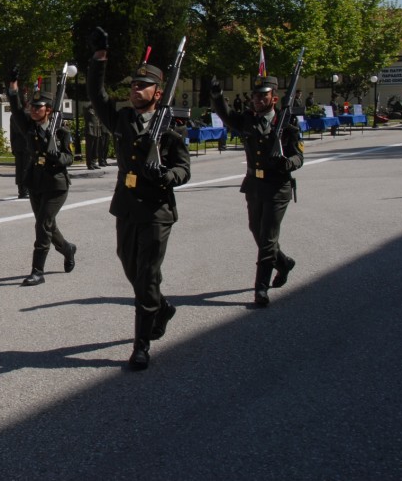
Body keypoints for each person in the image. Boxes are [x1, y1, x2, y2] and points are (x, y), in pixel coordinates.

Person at [87, 30, 190, 371]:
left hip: (157, 210)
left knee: (145, 276)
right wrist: (101, 55)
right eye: (133, 85)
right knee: (129, 265)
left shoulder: (171, 128)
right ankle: (161, 307)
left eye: (142, 86)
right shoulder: (121, 119)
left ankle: (141, 346)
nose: (135, 90)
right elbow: (96, 94)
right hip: (127, 206)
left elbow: (183, 168)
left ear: (158, 93)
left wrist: (168, 176)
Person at [211, 73, 304, 309]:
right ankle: (282, 263)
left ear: (274, 98)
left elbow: (298, 157)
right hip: (254, 185)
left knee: (268, 237)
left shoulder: (287, 124)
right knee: (256, 229)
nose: (257, 100)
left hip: (277, 186)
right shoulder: (248, 120)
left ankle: (260, 288)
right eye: (255, 96)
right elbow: (226, 116)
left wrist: (287, 163)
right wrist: (217, 95)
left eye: (263, 96)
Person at [7, 75, 77, 287]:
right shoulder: (29, 127)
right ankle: (67, 248)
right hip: (36, 182)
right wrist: (12, 90)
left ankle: (38, 271)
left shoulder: (62, 132)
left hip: (56, 184)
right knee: (47, 225)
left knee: (42, 225)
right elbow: (18, 109)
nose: (34, 110)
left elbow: (69, 157)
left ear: (49, 110)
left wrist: (57, 156)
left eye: (39, 107)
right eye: (33, 107)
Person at [9, 88, 31, 198]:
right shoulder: (27, 115)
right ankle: (25, 190)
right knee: (26, 167)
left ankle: (21, 190)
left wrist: (12, 146)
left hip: (17, 144)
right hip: (27, 144)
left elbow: (12, 133)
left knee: (19, 168)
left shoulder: (13, 116)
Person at [84, 103, 103, 170]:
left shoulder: (97, 111)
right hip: (90, 131)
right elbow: (86, 107)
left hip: (97, 131)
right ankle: (89, 164)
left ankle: (94, 162)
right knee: (90, 148)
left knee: (95, 149)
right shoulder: (88, 110)